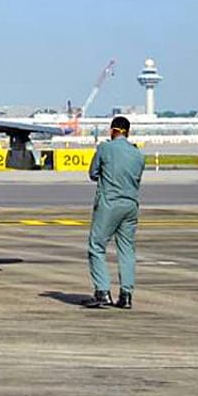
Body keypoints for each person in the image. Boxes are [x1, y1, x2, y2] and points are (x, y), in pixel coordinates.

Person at [82, 116, 144, 309]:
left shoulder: (105, 148)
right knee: (126, 250)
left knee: (97, 245)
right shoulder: (138, 154)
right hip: (131, 204)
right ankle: (126, 295)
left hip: (110, 203)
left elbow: (93, 173)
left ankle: (102, 291)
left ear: (113, 130)